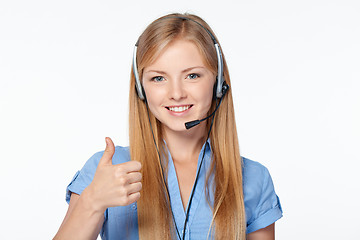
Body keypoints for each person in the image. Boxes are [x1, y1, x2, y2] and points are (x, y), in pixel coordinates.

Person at [54, 13, 283, 240]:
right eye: (158, 78)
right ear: (141, 89)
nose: (176, 94)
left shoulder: (253, 178)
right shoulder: (108, 170)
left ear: (218, 82)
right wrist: (92, 201)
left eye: (192, 75)